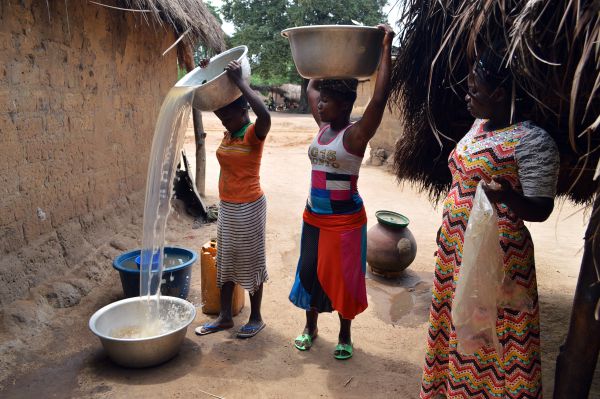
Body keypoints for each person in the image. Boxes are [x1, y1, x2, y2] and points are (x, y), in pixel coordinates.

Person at [420, 47, 560, 398]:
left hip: (498, 260)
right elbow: (460, 184)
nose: (468, 97)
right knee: (463, 328)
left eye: (476, 91)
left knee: (500, 335)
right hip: (456, 255)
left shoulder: (532, 141)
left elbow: (541, 209)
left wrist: (506, 197)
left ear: (498, 94)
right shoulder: (477, 127)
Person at [288, 24, 395, 360]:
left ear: (347, 102)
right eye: (322, 101)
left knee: (345, 278)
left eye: (329, 101)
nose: (321, 105)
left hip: (345, 221)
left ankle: (345, 335)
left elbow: (379, 97)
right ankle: (310, 327)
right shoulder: (321, 130)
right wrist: (320, 59)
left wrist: (386, 47)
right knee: (309, 272)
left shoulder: (355, 135)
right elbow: (311, 87)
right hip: (314, 218)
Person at [195, 59, 271, 339]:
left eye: (228, 118)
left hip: (250, 206)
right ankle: (225, 317)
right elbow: (211, 97)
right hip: (228, 206)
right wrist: (207, 74)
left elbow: (265, 116)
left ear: (243, 111)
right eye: (221, 120)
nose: (224, 123)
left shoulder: (253, 134)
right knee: (225, 260)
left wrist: (241, 82)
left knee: (251, 260)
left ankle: (256, 316)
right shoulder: (230, 132)